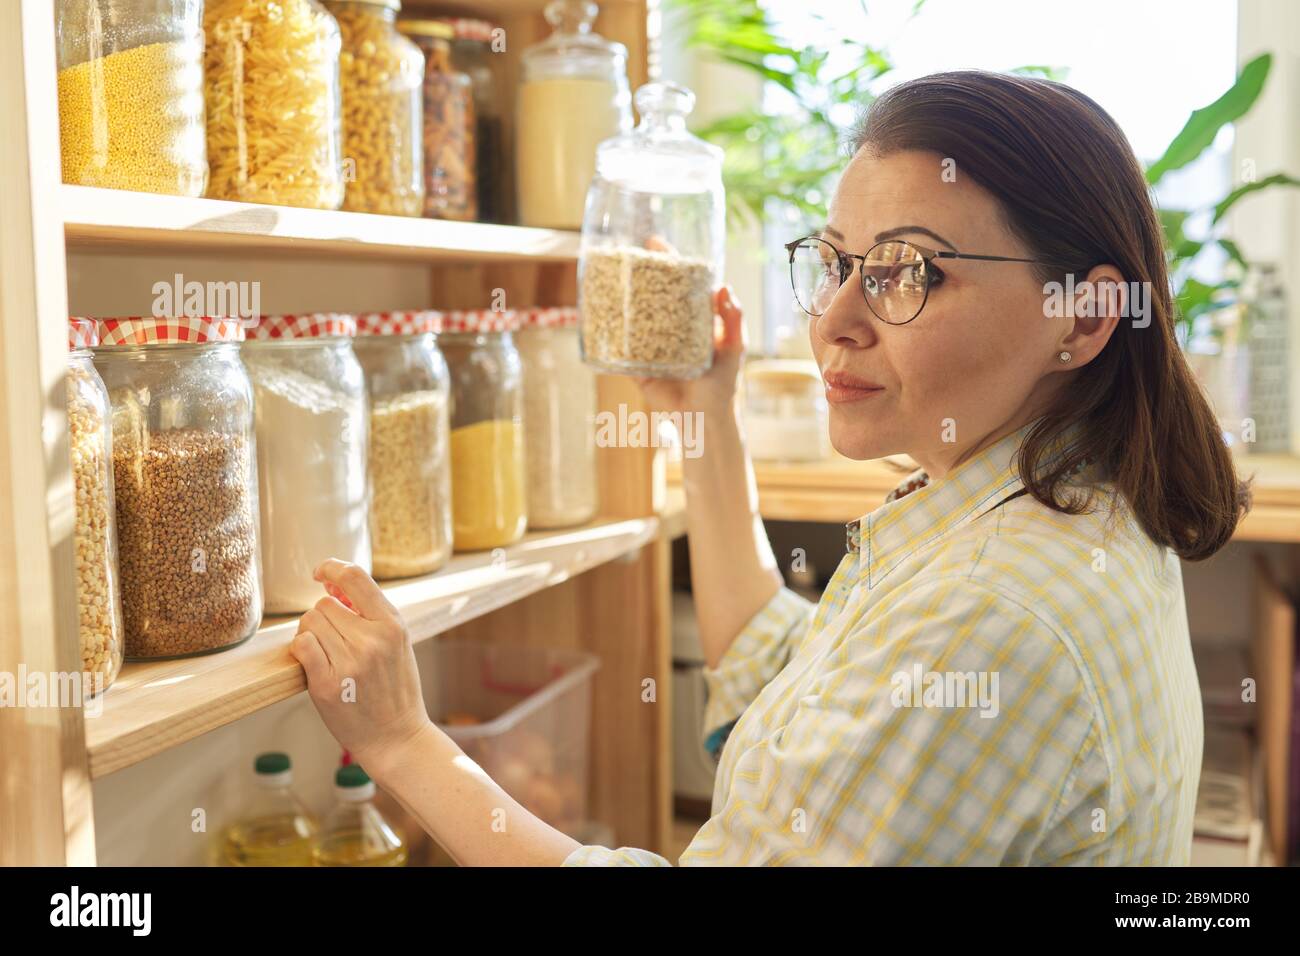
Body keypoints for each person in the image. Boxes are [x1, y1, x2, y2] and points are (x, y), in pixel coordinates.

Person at [291, 70, 1249, 866]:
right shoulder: (1054, 500)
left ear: (1082, 316)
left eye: (910, 273)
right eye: (836, 262)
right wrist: (707, 418)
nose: (834, 317)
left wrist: (402, 744)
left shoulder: (991, 612)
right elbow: (789, 681)